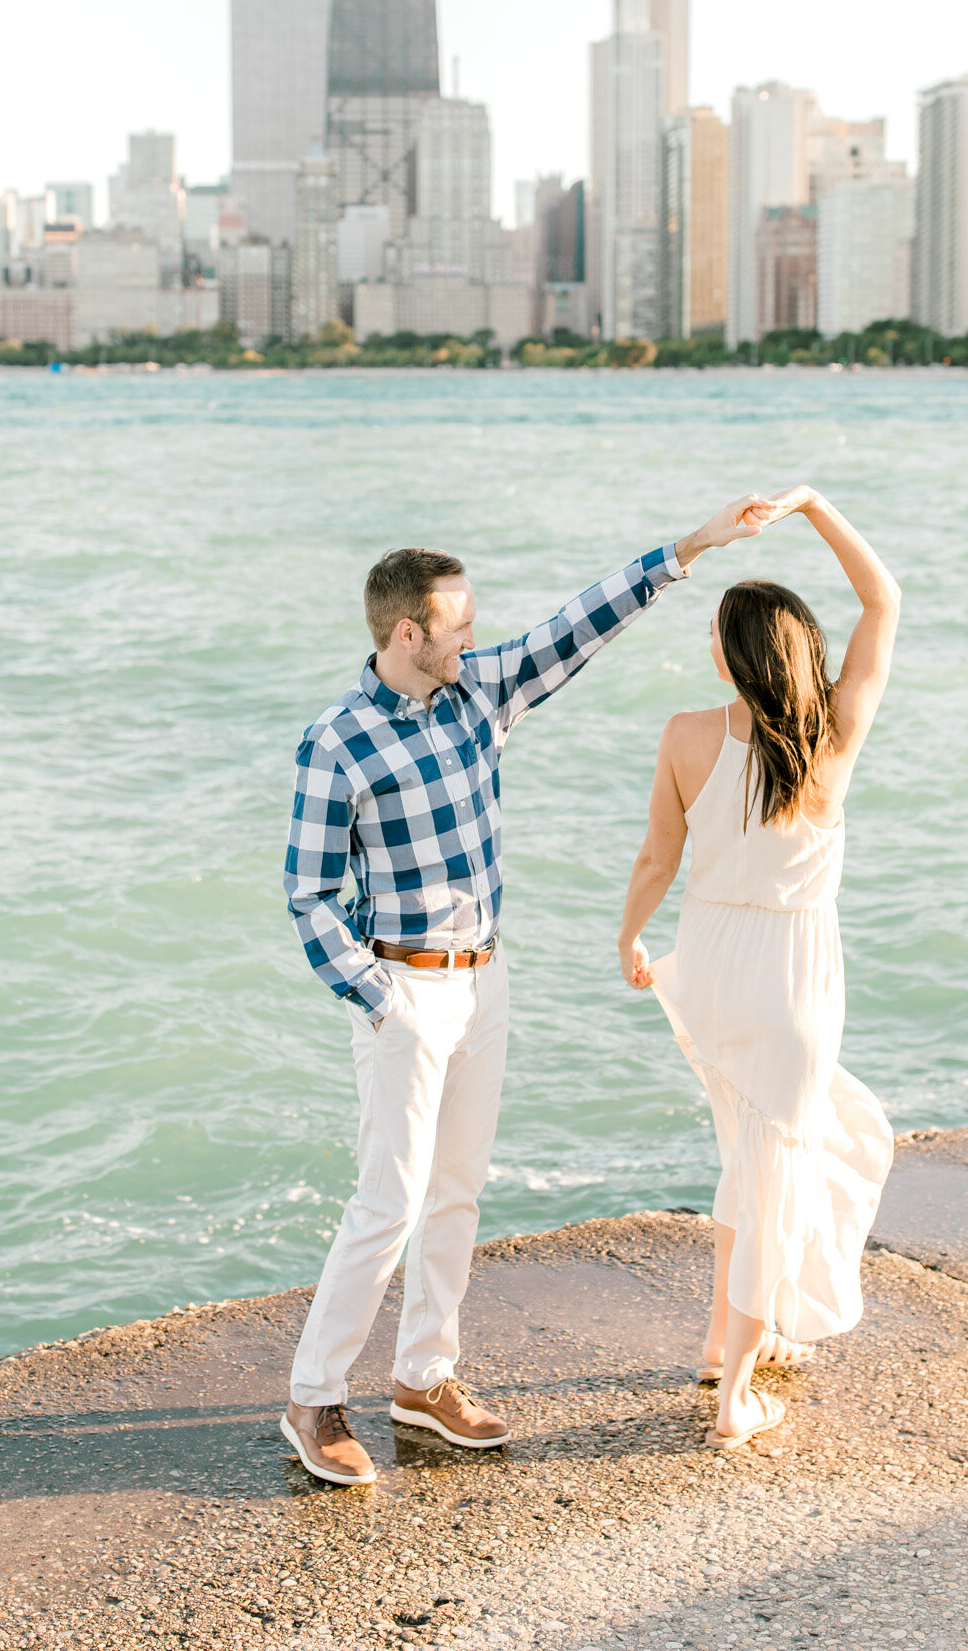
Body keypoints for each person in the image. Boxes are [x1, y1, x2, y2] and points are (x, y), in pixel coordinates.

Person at [280, 496, 771, 1485]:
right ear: (406, 631)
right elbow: (307, 891)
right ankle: (313, 1395)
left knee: (456, 1190)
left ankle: (423, 1376)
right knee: (390, 1198)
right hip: (403, 990)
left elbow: (576, 624)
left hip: (485, 974)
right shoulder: (335, 742)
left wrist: (687, 550)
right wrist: (377, 996)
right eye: (457, 623)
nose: (475, 635)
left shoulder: (478, 690)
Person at [616, 486, 899, 1450]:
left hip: (708, 964)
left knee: (751, 1158)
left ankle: (720, 1341)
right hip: (790, 976)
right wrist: (814, 505)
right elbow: (883, 600)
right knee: (779, 1167)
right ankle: (737, 1394)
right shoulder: (830, 737)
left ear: (731, 656)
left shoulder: (687, 735)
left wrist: (628, 940)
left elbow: (656, 858)